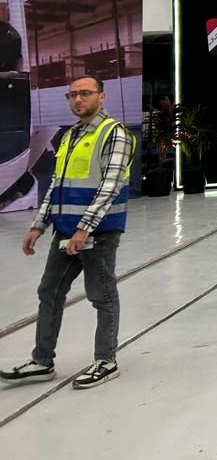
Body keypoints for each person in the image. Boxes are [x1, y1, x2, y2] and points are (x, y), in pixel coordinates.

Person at [1, 77, 135, 390]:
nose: (78, 99)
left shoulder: (114, 134)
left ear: (101, 97)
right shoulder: (70, 136)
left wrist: (84, 229)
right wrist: (39, 225)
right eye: (72, 94)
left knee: (101, 295)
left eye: (85, 93)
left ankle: (106, 361)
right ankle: (42, 361)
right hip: (65, 231)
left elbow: (109, 187)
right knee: (49, 292)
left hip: (98, 233)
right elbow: (57, 185)